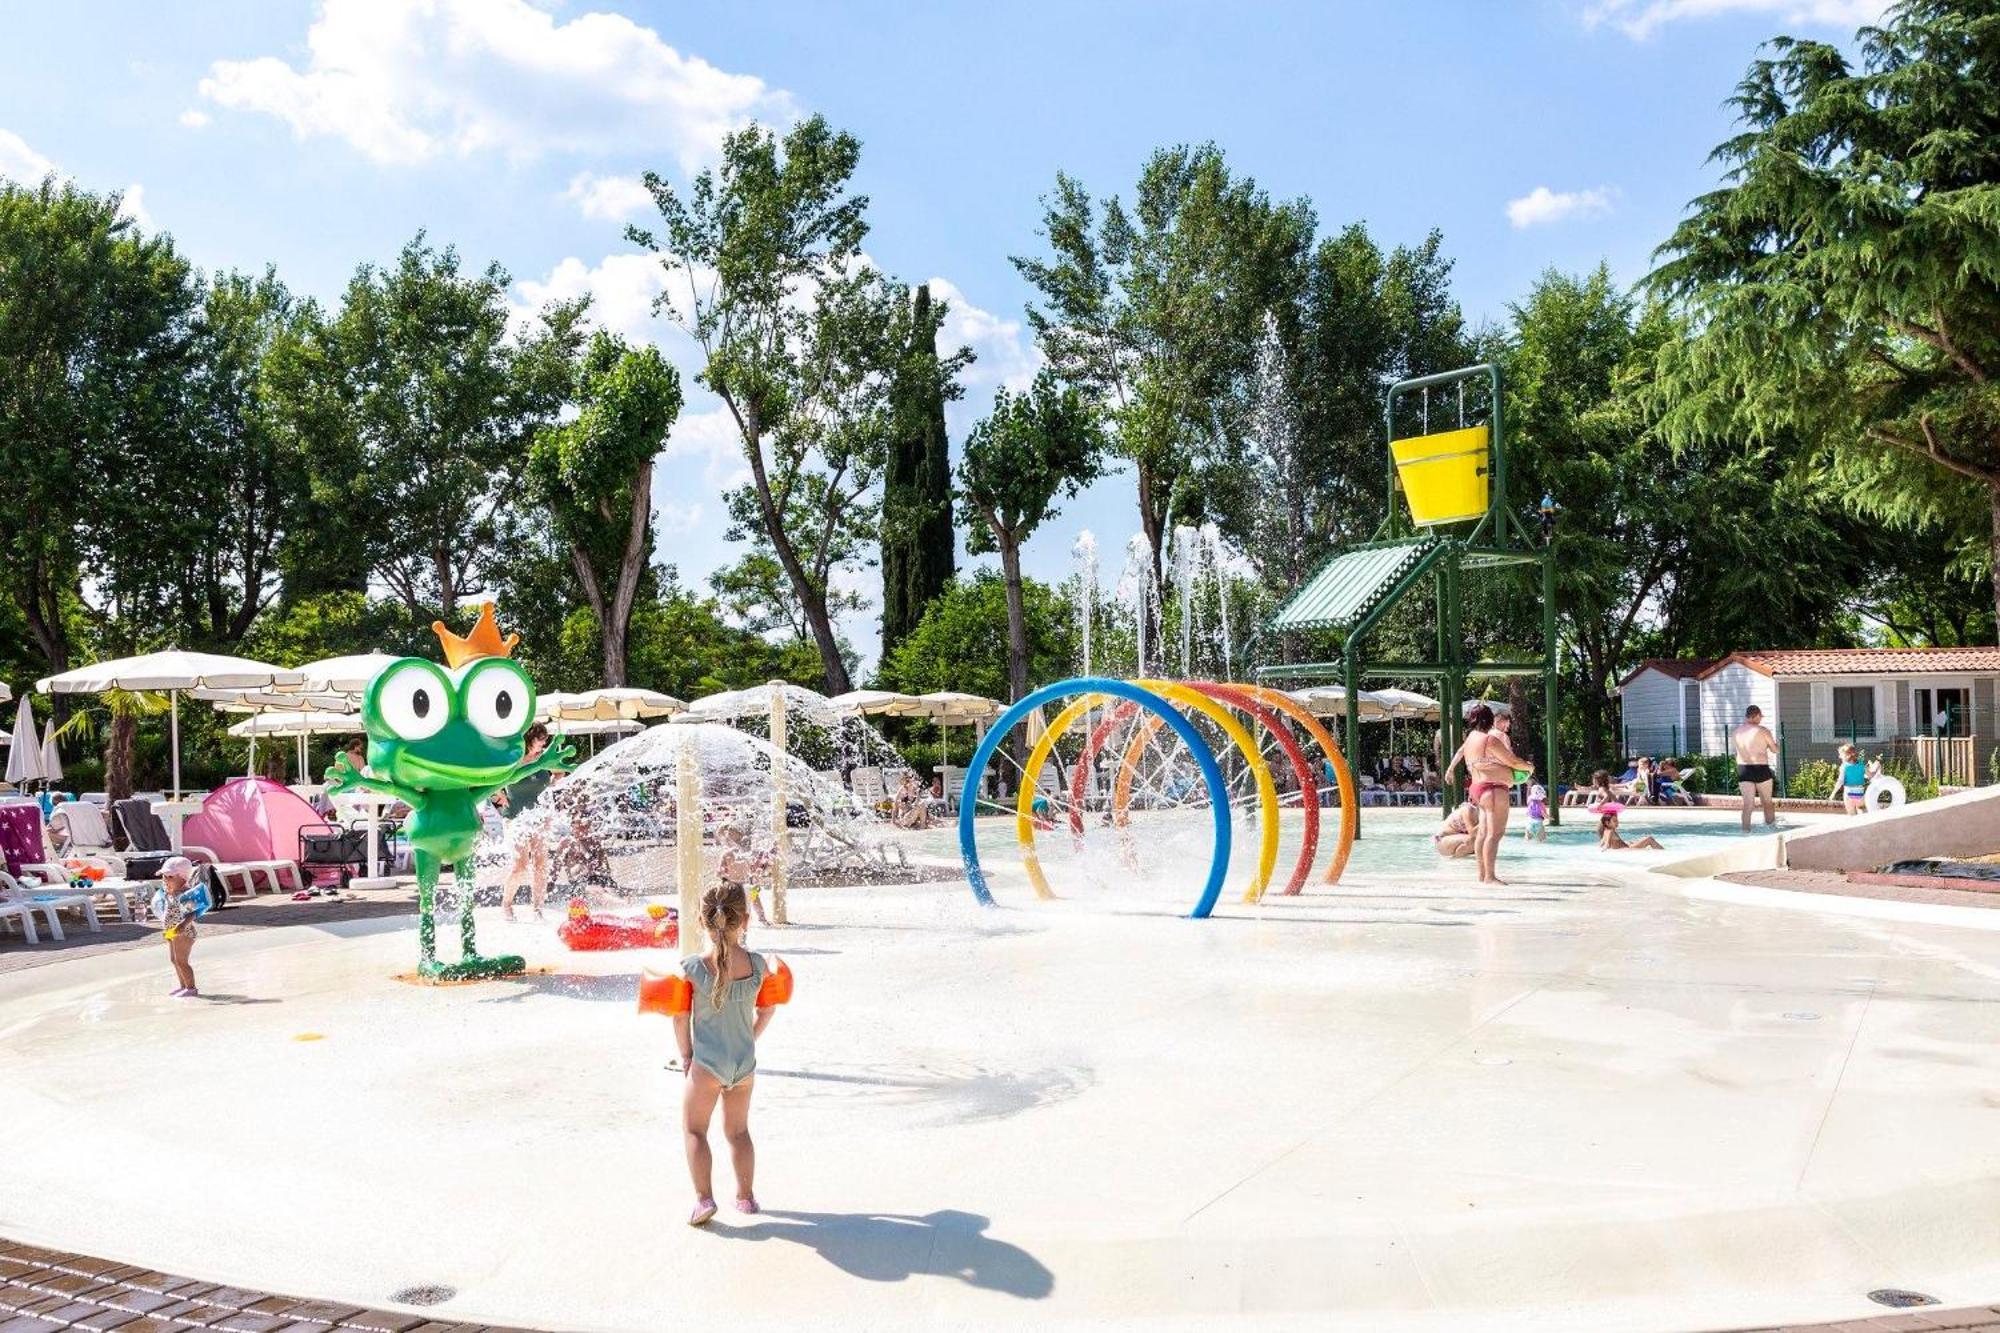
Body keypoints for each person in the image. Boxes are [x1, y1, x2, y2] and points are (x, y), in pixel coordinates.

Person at [675, 885, 782, 1226]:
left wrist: (687, 1056)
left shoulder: (693, 967)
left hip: (706, 1064)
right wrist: (748, 1039)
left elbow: (680, 1017)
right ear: (745, 920)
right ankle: (746, 1198)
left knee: (694, 1131)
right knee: (738, 1132)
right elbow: (767, 1011)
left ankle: (704, 1199)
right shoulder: (758, 964)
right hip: (743, 1064)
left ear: (701, 921)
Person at [1445, 704, 1526, 885]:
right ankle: (1490, 876)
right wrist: (1528, 767)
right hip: (1494, 787)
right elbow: (1511, 760)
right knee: (1494, 833)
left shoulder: (1471, 738)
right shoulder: (1492, 739)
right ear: (1492, 721)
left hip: (1478, 787)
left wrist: (1450, 769)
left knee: (1482, 832)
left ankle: (1482, 875)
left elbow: (1460, 752)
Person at [492, 723, 562, 920]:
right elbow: (492, 779)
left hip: (540, 817)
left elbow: (560, 771)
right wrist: (499, 796)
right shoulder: (514, 759)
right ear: (530, 739)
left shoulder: (543, 759)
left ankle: (538, 908)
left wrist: (552, 785)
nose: (544, 743)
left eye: (545, 740)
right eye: (541, 739)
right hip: (514, 817)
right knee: (520, 865)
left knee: (541, 864)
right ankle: (506, 904)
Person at [151, 856, 207, 998]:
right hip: (172, 931)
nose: (165, 880)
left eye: (169, 876)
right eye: (164, 876)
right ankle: (183, 986)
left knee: (182, 961)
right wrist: (166, 930)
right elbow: (167, 912)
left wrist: (183, 925)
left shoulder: (185, 894)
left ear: (182, 877)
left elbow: (192, 913)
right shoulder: (170, 892)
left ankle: (191, 988)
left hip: (184, 931)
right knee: (174, 960)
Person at [1733, 705, 1782, 831]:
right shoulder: (1763, 730)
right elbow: (1775, 750)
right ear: (1757, 716)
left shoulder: (1737, 732)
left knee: (1748, 804)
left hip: (1743, 768)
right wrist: (1775, 745)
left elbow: (1737, 751)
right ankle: (1771, 829)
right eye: (1761, 717)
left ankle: (1745, 832)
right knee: (1767, 802)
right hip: (1760, 767)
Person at [717, 820, 772, 927]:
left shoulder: (732, 854)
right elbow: (720, 871)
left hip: (738, 884)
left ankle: (758, 919)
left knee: (749, 900)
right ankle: (762, 919)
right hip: (741, 883)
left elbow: (720, 872)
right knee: (753, 900)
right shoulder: (738, 853)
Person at [1830, 744, 1878, 816]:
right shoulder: (1861, 765)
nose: (1839, 757)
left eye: (1841, 754)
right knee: (1863, 814)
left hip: (1848, 794)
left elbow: (1840, 781)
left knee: (1852, 817)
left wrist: (1833, 793)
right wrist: (1876, 768)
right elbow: (1870, 775)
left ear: (1846, 755)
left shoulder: (1844, 766)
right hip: (1859, 794)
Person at [1598, 806, 1664, 851]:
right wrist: (1605, 850)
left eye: (1617, 820)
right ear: (1607, 823)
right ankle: (1663, 853)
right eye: (1615, 821)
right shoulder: (1610, 832)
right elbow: (1607, 845)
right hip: (1627, 849)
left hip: (1626, 847)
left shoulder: (1606, 831)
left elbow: (1601, 844)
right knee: (1650, 839)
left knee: (1631, 841)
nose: (1617, 822)